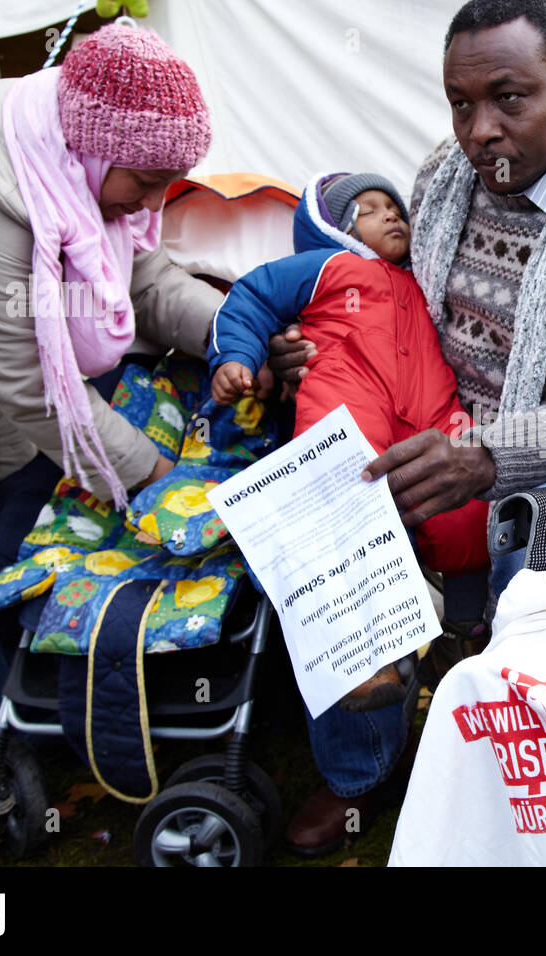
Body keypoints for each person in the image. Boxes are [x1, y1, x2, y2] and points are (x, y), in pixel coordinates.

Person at [268, 0, 546, 856]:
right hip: (433, 414)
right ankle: (360, 767)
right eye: (460, 103)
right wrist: (321, 352)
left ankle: (513, 774)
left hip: (542, 464)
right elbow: (395, 310)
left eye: (508, 98)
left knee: (527, 526)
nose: (479, 129)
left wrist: (486, 455)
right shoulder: (442, 179)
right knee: (325, 466)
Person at [0, 23, 222, 865]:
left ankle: (31, 732)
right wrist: (157, 476)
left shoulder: (82, 167)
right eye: (148, 181)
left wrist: (240, 335)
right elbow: (29, 381)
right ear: (97, 150)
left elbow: (146, 279)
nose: (152, 202)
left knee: (19, 544)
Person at [208, 171, 490, 709]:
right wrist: (237, 357)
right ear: (334, 228)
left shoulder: (424, 279)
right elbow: (250, 297)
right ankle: (361, 659)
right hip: (349, 392)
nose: (391, 215)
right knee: (341, 496)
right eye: (369, 209)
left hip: (428, 408)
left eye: (394, 207)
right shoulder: (326, 266)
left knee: (466, 509)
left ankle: (463, 634)